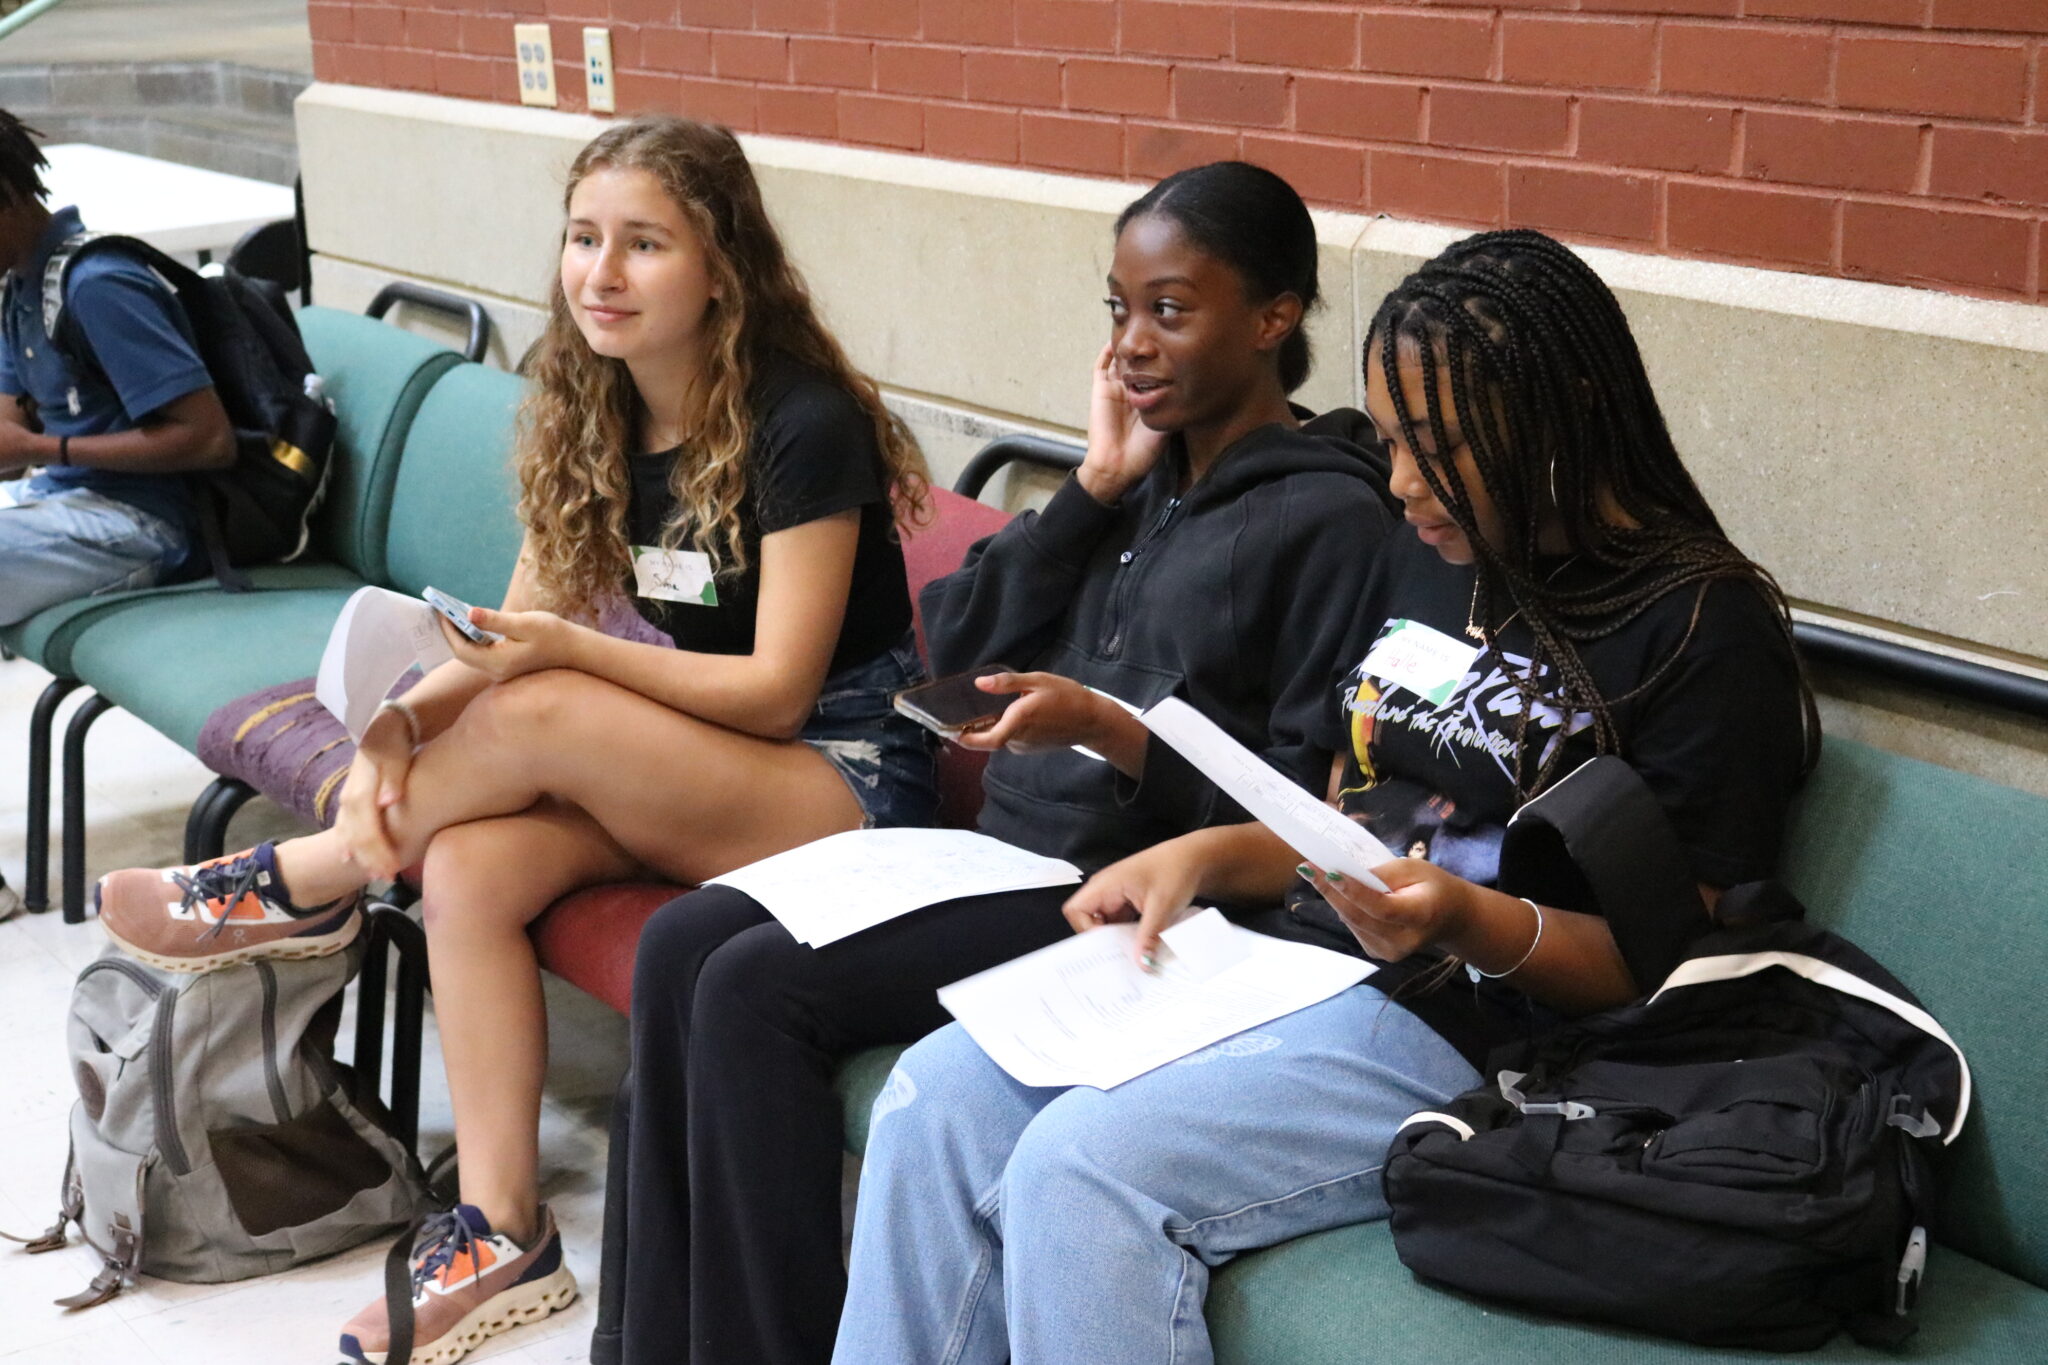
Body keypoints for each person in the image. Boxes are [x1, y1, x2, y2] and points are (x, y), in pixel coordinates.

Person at [834, 228, 1820, 1365]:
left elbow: (1671, 965)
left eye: (1438, 447)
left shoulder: (1701, 627)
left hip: (1481, 1033)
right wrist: (1202, 861)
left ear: (1567, 410)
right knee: (936, 1095)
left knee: (1082, 1169)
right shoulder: (1435, 555)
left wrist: (1459, 916)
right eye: (1392, 443)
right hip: (1289, 959)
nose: (1400, 486)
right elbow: (1350, 823)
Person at [93, 115, 939, 1365]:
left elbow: (771, 691)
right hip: (689, 761)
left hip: (841, 780)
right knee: (472, 866)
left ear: (722, 267)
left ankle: (302, 882)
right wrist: (392, 730)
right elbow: (508, 626)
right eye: (584, 238)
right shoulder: (592, 408)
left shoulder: (800, 423)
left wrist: (567, 659)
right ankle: (500, 1232)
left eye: (643, 244)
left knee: (540, 707)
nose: (600, 272)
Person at [594, 162, 1398, 1365]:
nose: (1133, 343)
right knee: (680, 944)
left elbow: (1299, 809)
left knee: (755, 993)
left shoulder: (1328, 520)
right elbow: (953, 640)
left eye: (1170, 311)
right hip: (990, 855)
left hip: (1124, 893)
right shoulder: (1138, 480)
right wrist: (1088, 490)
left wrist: (1109, 732)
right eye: (1118, 310)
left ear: (1273, 318)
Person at [0, 109, 233, 627]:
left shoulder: (99, 286)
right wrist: (26, 449)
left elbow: (210, 439)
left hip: (147, 525)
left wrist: (43, 449)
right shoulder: (18, 287)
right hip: (60, 498)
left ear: (9, 199)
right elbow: (10, 445)